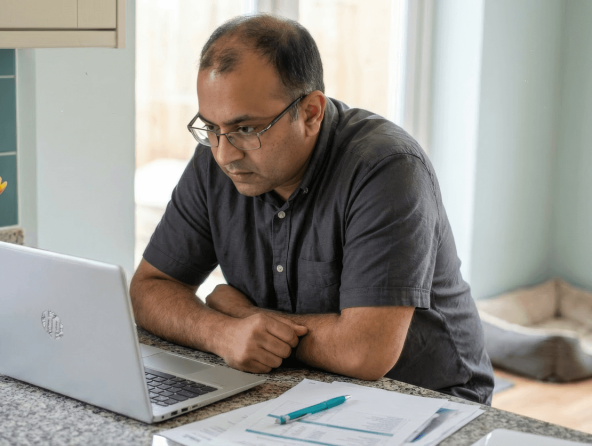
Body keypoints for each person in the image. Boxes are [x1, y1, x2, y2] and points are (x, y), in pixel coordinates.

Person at [130, 14, 494, 405]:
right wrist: (222, 331)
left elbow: (365, 351)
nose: (224, 154)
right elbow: (148, 290)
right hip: (298, 389)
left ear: (310, 113)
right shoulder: (217, 159)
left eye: (246, 129)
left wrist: (247, 315)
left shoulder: (387, 167)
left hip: (430, 401)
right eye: (211, 128)